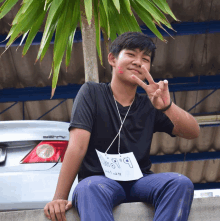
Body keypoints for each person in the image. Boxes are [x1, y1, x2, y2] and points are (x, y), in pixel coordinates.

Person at [44, 32, 200, 221]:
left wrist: (167, 106)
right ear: (112, 59)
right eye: (131, 55)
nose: (138, 62)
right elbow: (78, 146)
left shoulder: (151, 104)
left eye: (145, 59)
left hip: (139, 181)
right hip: (100, 182)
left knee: (179, 183)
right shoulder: (91, 93)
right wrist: (59, 198)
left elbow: (193, 132)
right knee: (89, 187)